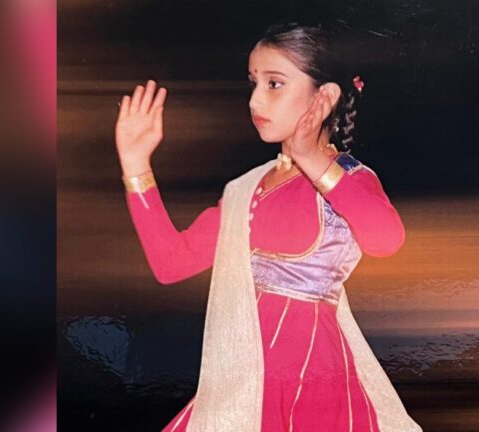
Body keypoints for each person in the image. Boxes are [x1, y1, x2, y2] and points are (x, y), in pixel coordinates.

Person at [115, 22, 421, 432]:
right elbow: (171, 264)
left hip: (314, 387)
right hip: (240, 387)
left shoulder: (347, 177)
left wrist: (311, 158)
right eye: (253, 83)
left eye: (274, 83)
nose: (256, 99)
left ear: (324, 96)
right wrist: (136, 165)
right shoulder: (245, 189)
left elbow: (386, 240)